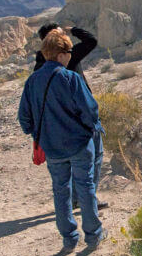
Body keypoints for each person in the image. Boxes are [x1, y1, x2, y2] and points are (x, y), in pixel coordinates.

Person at [18, 30, 107, 252]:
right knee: (86, 187)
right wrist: (92, 128)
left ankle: (69, 239)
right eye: (68, 52)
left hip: (52, 148)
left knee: (60, 191)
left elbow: (24, 118)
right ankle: (93, 235)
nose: (70, 56)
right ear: (60, 54)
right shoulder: (71, 78)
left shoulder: (32, 81)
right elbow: (90, 110)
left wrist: (39, 133)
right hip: (78, 143)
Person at [33, 23, 107, 210]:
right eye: (59, 34)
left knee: (70, 164)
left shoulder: (40, 62)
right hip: (80, 116)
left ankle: (74, 200)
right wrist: (73, 29)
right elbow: (91, 40)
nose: (63, 35)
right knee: (93, 158)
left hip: (58, 120)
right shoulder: (66, 56)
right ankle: (86, 200)